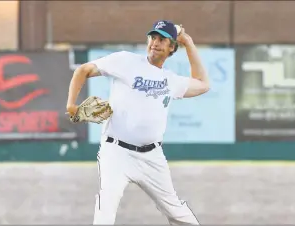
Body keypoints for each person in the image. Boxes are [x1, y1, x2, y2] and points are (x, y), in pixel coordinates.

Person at [66, 20, 209, 225]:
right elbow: (83, 71)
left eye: (162, 40)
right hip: (117, 152)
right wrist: (71, 105)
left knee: (177, 212)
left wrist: (188, 41)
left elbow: (203, 84)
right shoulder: (125, 61)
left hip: (152, 157)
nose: (155, 43)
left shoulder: (171, 81)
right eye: (153, 37)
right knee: (106, 206)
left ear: (172, 48)